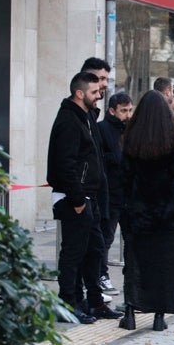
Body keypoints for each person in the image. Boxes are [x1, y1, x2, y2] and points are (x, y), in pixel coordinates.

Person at [118, 90, 174, 331]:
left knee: (135, 263)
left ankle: (131, 312)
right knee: (166, 265)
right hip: (169, 212)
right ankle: (159, 317)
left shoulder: (131, 136)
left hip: (138, 212)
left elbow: (123, 176)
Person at [46, 72, 123, 324]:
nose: (99, 94)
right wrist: (78, 199)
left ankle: (95, 302)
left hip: (89, 197)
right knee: (73, 254)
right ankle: (67, 304)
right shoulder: (69, 120)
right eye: (93, 92)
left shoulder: (87, 116)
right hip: (74, 199)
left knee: (95, 251)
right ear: (79, 93)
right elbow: (64, 165)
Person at [80, 57, 115, 302]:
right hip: (83, 195)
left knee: (98, 241)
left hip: (98, 191)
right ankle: (82, 294)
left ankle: (95, 293)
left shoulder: (92, 113)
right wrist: (78, 197)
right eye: (99, 80)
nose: (103, 86)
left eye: (105, 80)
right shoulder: (76, 116)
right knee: (83, 247)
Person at [97, 92, 133, 296]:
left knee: (129, 237)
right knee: (106, 237)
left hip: (128, 192)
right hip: (110, 193)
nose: (128, 115)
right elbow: (101, 158)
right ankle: (101, 275)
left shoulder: (131, 130)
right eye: (123, 111)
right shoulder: (102, 129)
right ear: (112, 111)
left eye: (130, 110)